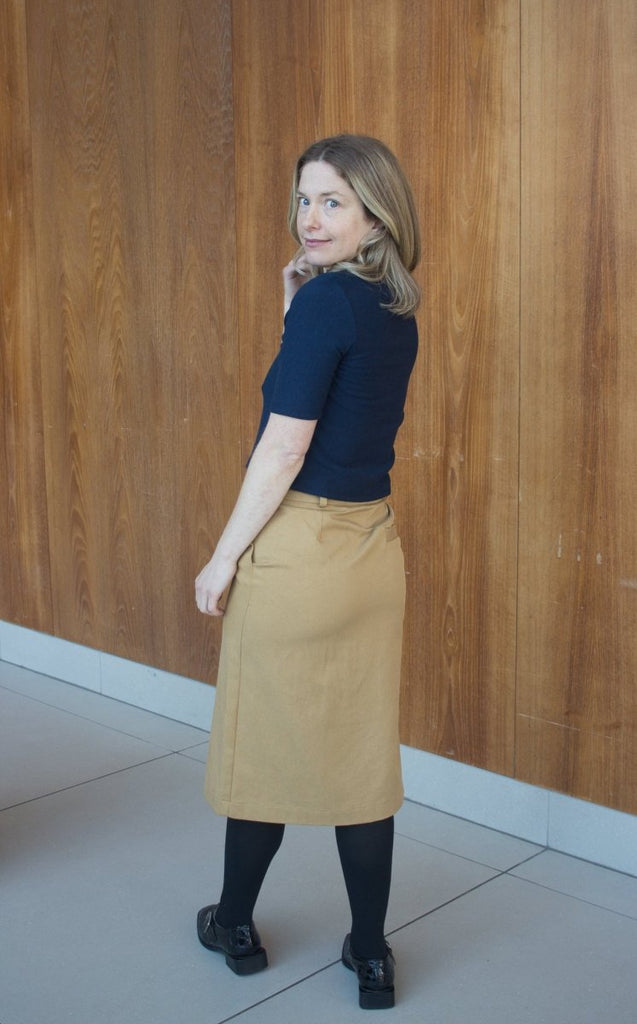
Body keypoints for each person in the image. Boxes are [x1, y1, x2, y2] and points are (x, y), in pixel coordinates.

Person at [194, 133, 420, 1010]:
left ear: (376, 215)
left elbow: (286, 446)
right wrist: (294, 308)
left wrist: (224, 554)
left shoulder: (329, 305)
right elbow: (343, 398)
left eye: (333, 201)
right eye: (303, 199)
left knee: (265, 748)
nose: (310, 218)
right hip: (369, 555)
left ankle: (234, 926)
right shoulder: (390, 306)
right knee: (359, 760)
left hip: (298, 552)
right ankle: (370, 954)